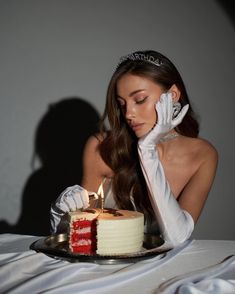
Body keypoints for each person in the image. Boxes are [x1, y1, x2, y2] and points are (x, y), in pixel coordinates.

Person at [50, 50, 218, 246]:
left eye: (140, 100)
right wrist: (61, 216)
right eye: (122, 104)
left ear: (172, 96)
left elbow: (177, 237)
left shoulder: (203, 155)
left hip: (162, 273)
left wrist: (147, 150)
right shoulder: (102, 147)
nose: (129, 114)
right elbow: (82, 235)